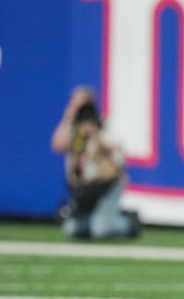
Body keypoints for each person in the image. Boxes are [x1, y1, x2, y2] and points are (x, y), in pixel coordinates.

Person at [51, 87, 140, 240]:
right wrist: (69, 118)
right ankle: (93, 220)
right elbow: (58, 145)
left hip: (105, 186)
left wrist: (95, 134)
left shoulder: (104, 124)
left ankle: (128, 222)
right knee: (72, 230)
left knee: (100, 230)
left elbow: (115, 149)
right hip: (84, 189)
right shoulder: (74, 130)